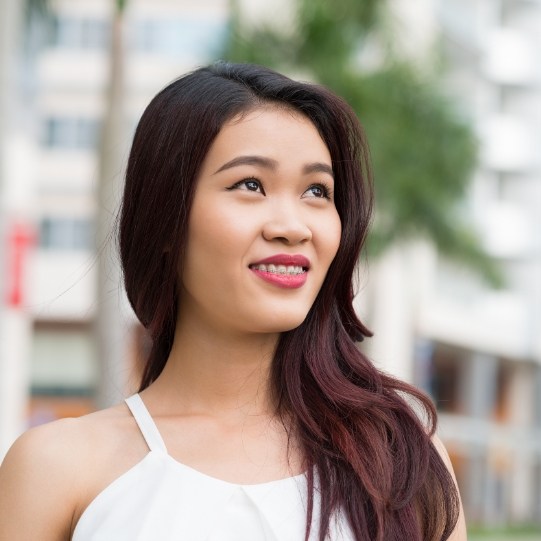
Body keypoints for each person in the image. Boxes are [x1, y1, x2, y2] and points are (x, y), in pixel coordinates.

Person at [0, 62, 466, 540]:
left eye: (316, 191)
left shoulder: (399, 459)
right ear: (166, 218)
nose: (292, 225)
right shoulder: (57, 469)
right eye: (250, 185)